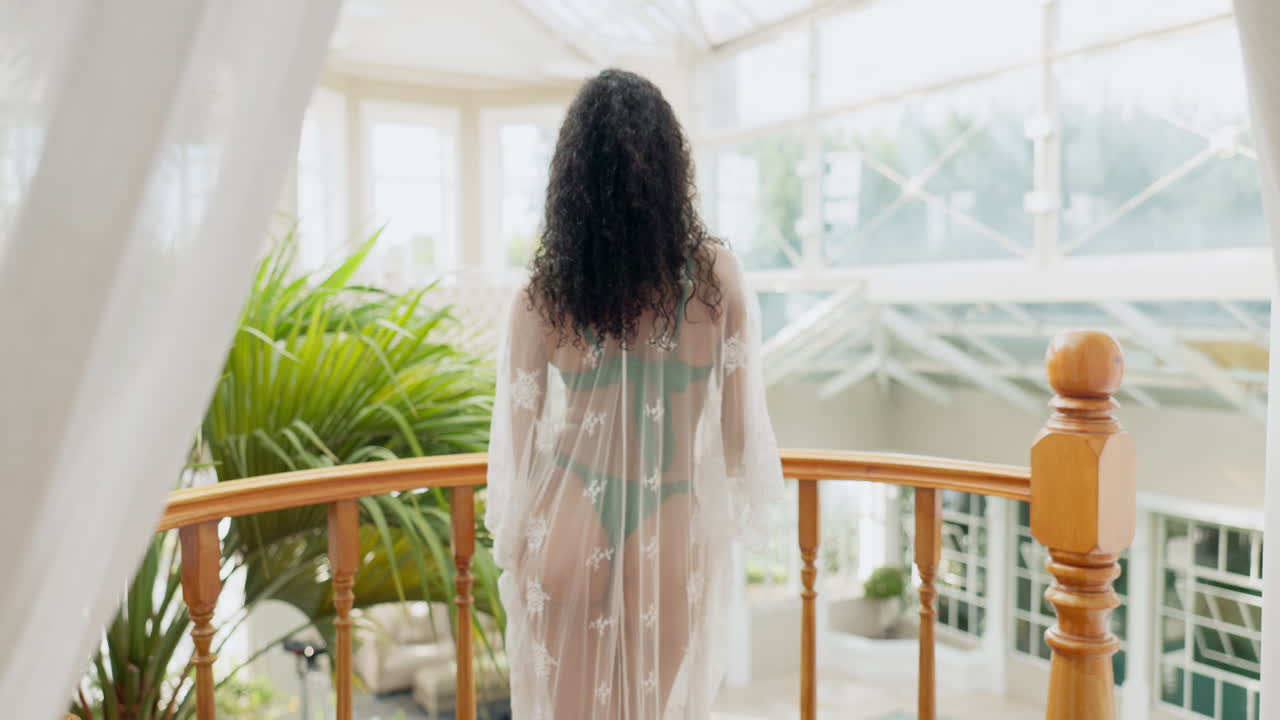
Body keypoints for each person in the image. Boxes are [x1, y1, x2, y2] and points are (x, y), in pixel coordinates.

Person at [485, 68, 783, 719]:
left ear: (571, 180)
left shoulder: (543, 295)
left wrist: (515, 538)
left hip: (567, 512)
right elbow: (737, 439)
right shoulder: (716, 279)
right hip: (670, 523)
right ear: (671, 169)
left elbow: (516, 449)